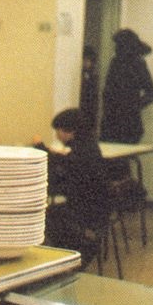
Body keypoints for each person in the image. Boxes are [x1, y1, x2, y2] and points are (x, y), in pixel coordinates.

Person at [34, 108, 108, 267]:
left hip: (85, 213)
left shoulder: (80, 151)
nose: (57, 135)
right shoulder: (88, 145)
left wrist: (40, 147)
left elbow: (65, 168)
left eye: (58, 130)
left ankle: (57, 263)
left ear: (69, 130)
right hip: (96, 209)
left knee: (43, 218)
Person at [100, 28, 153, 144]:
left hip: (129, 122)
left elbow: (151, 93)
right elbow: (108, 90)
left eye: (119, 45)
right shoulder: (115, 63)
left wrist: (133, 106)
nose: (116, 48)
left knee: (121, 158)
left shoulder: (138, 64)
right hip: (111, 120)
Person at [79, 45, 100, 136]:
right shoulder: (80, 75)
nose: (87, 63)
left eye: (89, 60)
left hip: (90, 109)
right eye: (85, 60)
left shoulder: (93, 75)